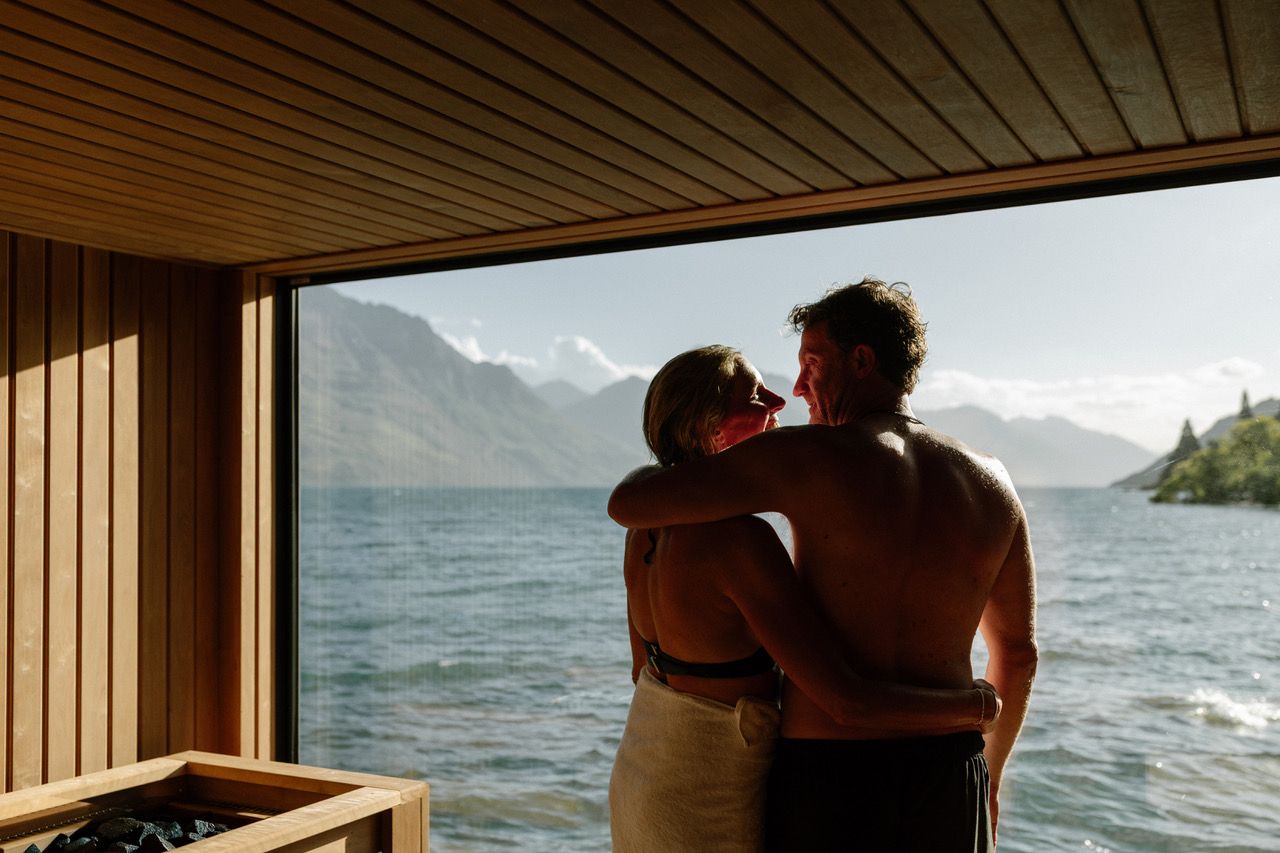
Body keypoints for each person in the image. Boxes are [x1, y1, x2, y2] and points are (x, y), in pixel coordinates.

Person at [609, 281, 1038, 852]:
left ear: (861, 361)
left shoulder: (809, 456)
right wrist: (990, 772)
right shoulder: (995, 482)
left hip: (830, 775)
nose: (798, 388)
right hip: (950, 767)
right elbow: (1018, 654)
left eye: (812, 363)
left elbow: (629, 503)